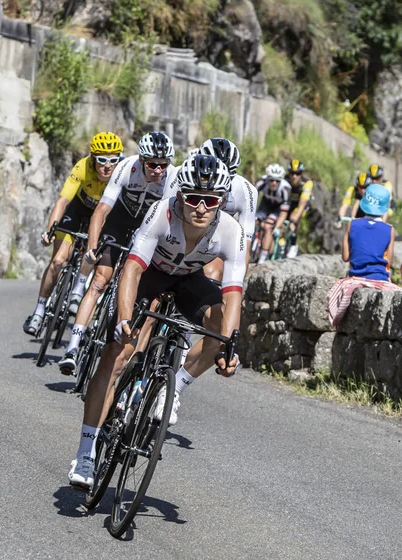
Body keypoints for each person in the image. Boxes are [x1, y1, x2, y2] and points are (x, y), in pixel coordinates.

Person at [68, 154, 246, 488]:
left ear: (221, 202)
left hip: (189, 279)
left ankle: (171, 387)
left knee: (220, 331)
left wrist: (229, 345)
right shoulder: (162, 213)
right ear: (180, 196)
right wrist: (124, 319)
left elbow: (233, 291)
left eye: (211, 201)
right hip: (151, 274)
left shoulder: (230, 230)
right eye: (193, 198)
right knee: (117, 356)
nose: (201, 208)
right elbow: (133, 268)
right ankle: (85, 452)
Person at [58, 132, 178, 374]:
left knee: (135, 284)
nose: (158, 170)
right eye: (152, 164)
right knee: (101, 279)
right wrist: (92, 248)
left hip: (147, 228)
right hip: (119, 221)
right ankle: (72, 347)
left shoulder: (172, 178)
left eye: (163, 164)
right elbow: (101, 211)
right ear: (142, 161)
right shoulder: (126, 167)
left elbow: (167, 220)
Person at [23, 132, 123, 335]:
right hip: (77, 210)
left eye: (113, 160)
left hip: (101, 215)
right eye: (102, 160)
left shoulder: (121, 173)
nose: (107, 166)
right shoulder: (82, 167)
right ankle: (39, 310)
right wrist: (51, 229)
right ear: (93, 158)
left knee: (92, 250)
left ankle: (78, 288)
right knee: (59, 261)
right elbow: (62, 201)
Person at [329, 183, 398, 325]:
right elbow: (389, 262)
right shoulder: (389, 230)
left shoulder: (352, 224)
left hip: (356, 275)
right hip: (380, 277)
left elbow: (345, 257)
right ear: (384, 208)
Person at [198, 137, 258, 278]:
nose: (220, 182)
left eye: (227, 177)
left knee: (211, 274)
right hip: (184, 234)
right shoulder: (180, 176)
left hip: (217, 236)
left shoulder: (246, 191)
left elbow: (244, 246)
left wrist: (236, 287)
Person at [254, 163, 291, 263]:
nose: (274, 183)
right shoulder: (261, 182)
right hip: (265, 203)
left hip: (278, 208)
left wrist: (276, 227)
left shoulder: (285, 189)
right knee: (255, 222)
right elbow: (250, 198)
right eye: (271, 180)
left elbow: (283, 213)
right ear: (267, 179)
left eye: (277, 181)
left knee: (268, 227)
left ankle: (263, 256)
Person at [285, 159, 313, 258]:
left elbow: (301, 206)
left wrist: (293, 221)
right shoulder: (284, 180)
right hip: (288, 202)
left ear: (301, 174)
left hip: (302, 203)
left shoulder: (307, 183)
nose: (294, 176)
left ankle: (293, 244)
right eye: (292, 173)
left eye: (298, 173)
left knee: (294, 218)